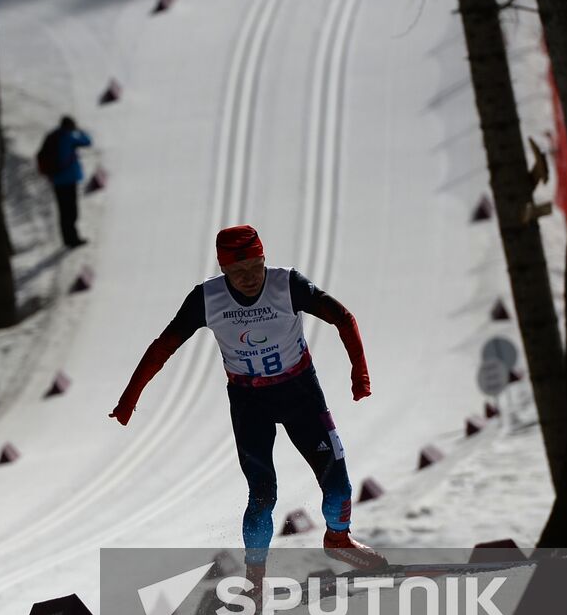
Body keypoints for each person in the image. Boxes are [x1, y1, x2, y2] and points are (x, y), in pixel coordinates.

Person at [109, 224, 386, 591]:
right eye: (238, 273)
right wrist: (130, 399)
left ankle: (338, 540)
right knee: (262, 495)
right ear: (222, 270)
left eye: (255, 267)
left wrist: (360, 374)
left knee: (337, 485)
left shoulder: (286, 284)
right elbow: (164, 346)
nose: (249, 278)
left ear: (264, 259)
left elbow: (343, 317)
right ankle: (256, 580)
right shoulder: (207, 299)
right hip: (248, 401)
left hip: (300, 392)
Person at [46, 116, 91, 248]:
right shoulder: (69, 138)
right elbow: (87, 142)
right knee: (71, 211)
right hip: (69, 179)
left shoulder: (52, 137)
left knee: (63, 211)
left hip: (56, 180)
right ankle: (74, 239)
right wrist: (80, 131)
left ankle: (67, 239)